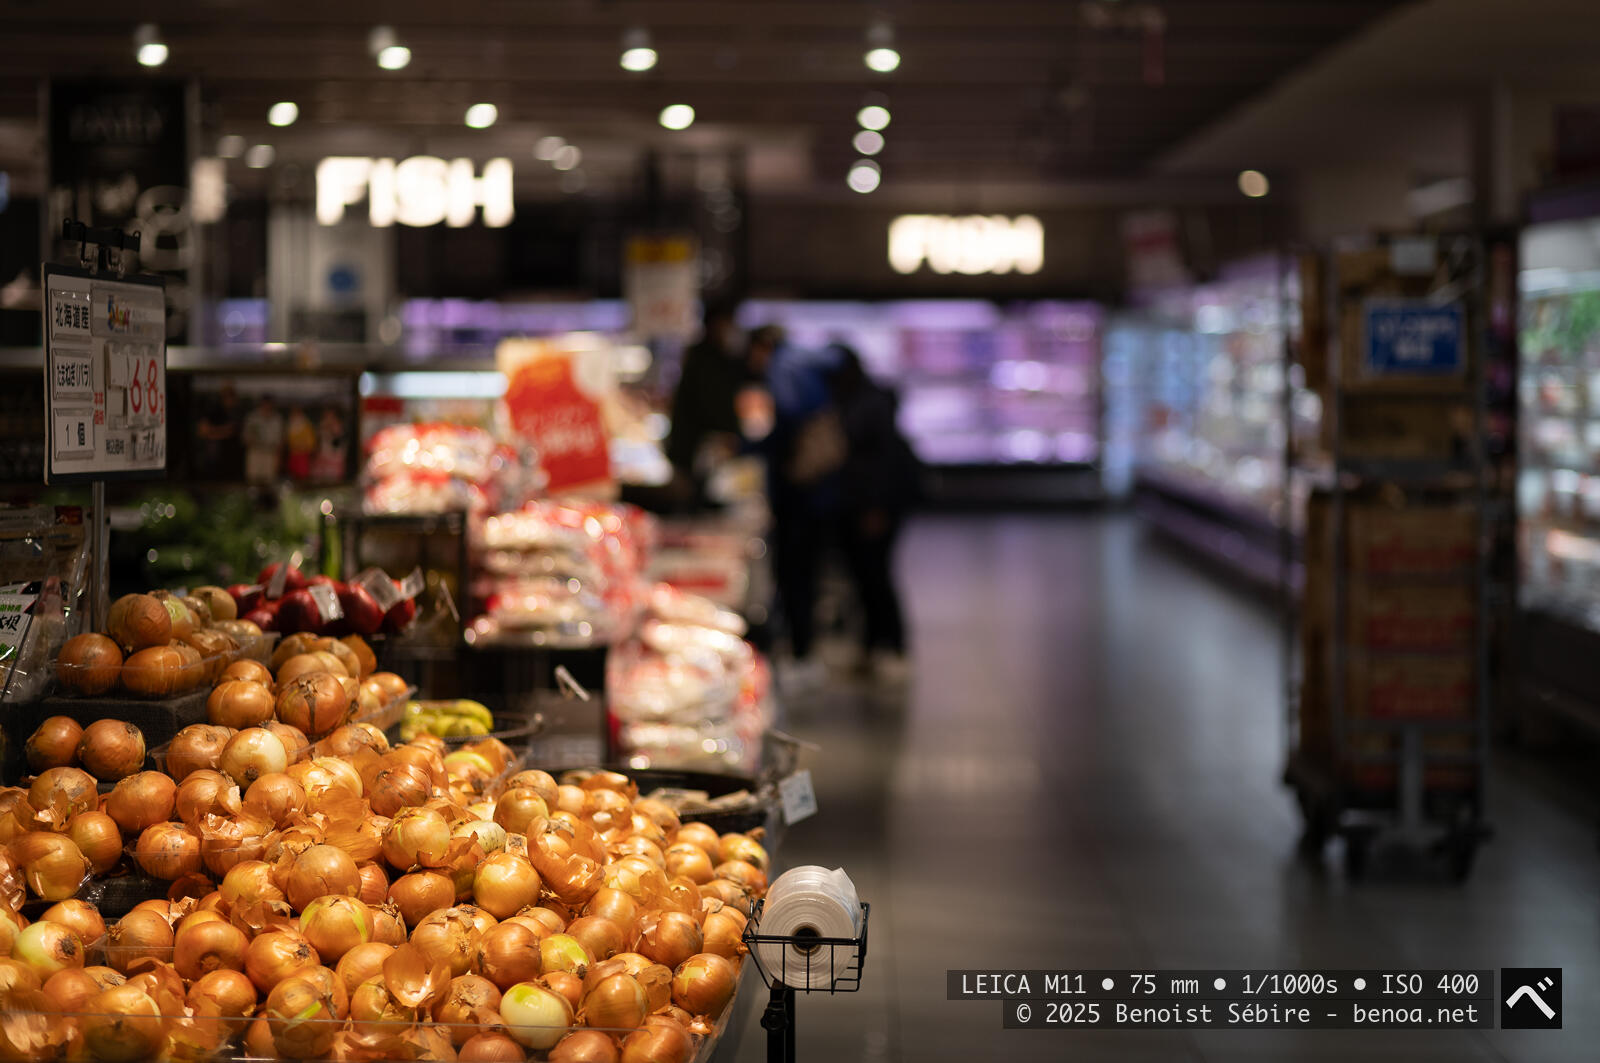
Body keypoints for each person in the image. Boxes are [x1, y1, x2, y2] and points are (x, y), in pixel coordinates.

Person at [750, 325, 845, 691]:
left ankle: (802, 654)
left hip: (799, 495)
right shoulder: (805, 365)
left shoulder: (784, 368)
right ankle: (804, 652)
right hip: (816, 494)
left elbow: (786, 425)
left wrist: (748, 447)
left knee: (796, 575)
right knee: (805, 575)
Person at [830, 346, 917, 681]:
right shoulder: (854, 398)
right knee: (863, 578)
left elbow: (882, 462)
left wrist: (876, 507)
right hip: (857, 503)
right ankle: (870, 647)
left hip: (875, 505)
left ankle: (894, 647)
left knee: (877, 576)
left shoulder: (869, 404)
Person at [666, 301, 747, 499]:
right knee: (700, 500)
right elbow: (710, 405)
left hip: (698, 447)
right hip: (697, 447)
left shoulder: (713, 356)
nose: (731, 329)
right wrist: (732, 430)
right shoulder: (705, 360)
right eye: (728, 323)